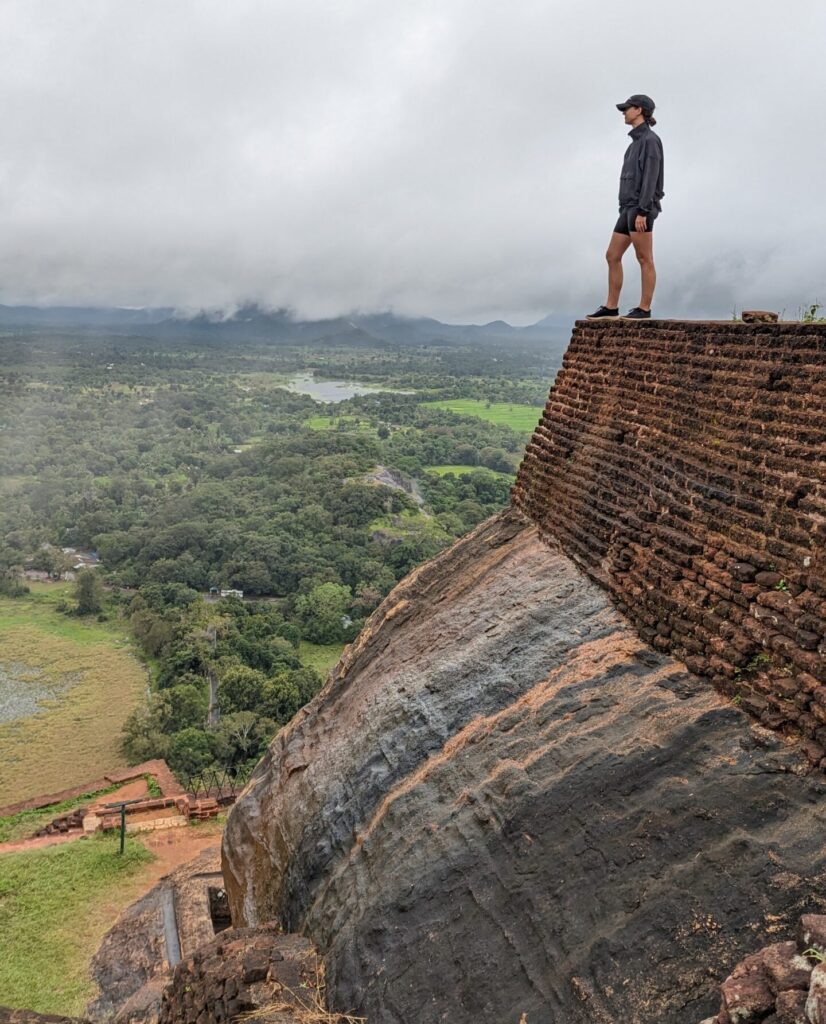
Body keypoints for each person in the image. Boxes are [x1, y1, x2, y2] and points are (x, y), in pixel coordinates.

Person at [587, 94, 664, 320]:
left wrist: (643, 210)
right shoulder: (634, 144)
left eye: (627, 108)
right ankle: (611, 306)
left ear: (639, 110)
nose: (624, 112)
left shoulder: (650, 141)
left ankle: (644, 308)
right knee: (612, 255)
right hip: (627, 208)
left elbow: (652, 178)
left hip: (641, 209)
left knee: (644, 258)